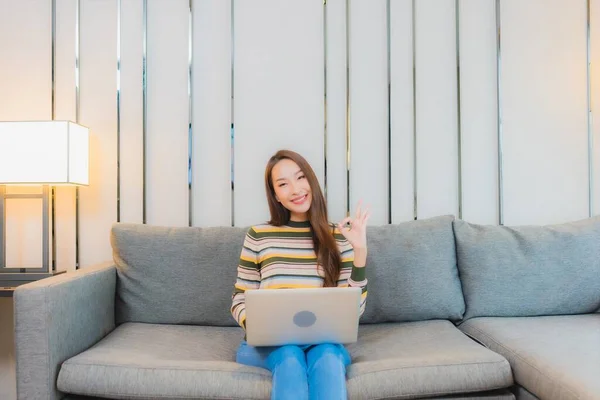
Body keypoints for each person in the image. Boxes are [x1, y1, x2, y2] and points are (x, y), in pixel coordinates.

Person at [230, 149, 370, 400]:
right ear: (276, 195)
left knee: (327, 355)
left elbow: (353, 310)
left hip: (323, 344)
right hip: (269, 346)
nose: (295, 189)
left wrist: (359, 251)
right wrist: (259, 326)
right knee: (290, 355)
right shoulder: (258, 235)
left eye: (300, 177)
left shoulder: (339, 236)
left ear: (311, 181)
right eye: (283, 184)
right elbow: (239, 299)